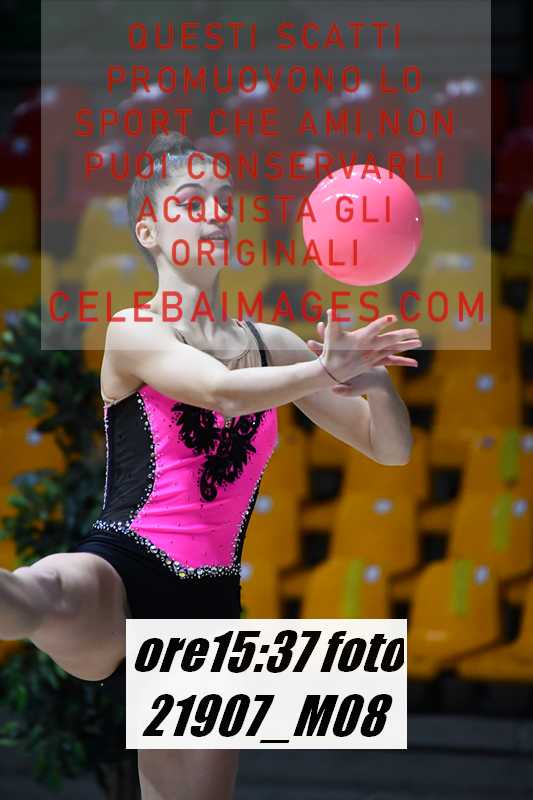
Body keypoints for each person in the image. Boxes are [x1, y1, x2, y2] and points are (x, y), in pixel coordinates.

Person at [0, 131, 421, 800]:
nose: (216, 213)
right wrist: (323, 369)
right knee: (38, 594)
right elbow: (220, 391)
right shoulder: (133, 329)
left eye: (225, 200)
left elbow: (389, 449)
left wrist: (373, 383)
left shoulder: (274, 344)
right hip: (122, 570)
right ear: (149, 230)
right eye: (192, 201)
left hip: (210, 607)